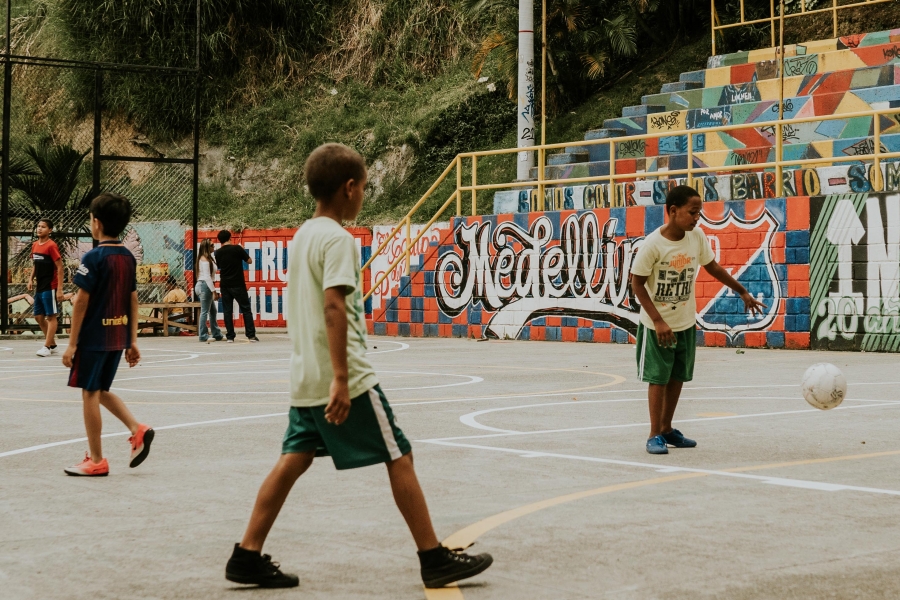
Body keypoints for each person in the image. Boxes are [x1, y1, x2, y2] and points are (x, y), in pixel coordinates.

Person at [224, 143, 493, 589]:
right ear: (349, 189)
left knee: (294, 457)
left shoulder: (305, 235)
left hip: (306, 375)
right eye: (364, 187)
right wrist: (344, 379)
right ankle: (433, 557)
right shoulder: (338, 240)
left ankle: (246, 553)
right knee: (399, 453)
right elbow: (333, 307)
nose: (363, 195)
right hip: (341, 374)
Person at [630, 185, 767, 455]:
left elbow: (712, 266)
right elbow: (637, 284)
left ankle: (667, 429)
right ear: (672, 211)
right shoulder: (653, 244)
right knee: (658, 378)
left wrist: (742, 292)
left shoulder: (696, 237)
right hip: (657, 325)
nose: (697, 218)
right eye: (692, 213)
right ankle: (653, 434)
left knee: (677, 375)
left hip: (684, 322)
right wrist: (658, 321)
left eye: (699, 213)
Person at [61, 192, 154, 477]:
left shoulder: (94, 256)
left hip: (93, 337)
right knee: (100, 390)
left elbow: (80, 301)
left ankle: (97, 459)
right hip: (116, 336)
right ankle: (138, 429)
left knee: (89, 393)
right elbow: (133, 299)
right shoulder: (127, 257)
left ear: (96, 223)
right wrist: (132, 340)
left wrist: (72, 343)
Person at [28, 218, 65, 357]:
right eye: (38, 226)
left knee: (51, 316)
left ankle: (47, 346)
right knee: (38, 317)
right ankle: (53, 344)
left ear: (50, 230)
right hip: (40, 286)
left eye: (43, 227)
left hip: (50, 286)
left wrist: (60, 289)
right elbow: (35, 264)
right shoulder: (34, 245)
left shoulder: (51, 246)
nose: (39, 228)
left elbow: (60, 268)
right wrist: (30, 279)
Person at [214, 230, 259, 343]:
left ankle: (230, 336)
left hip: (225, 284)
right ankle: (251, 335)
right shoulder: (237, 249)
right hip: (238, 283)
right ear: (230, 237)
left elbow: (218, 266)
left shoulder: (217, 253)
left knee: (227, 310)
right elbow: (249, 261)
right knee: (246, 309)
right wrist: (241, 250)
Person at [195, 239, 223, 342]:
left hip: (204, 285)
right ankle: (203, 335)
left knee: (213, 311)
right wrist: (213, 291)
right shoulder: (204, 260)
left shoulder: (208, 258)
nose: (213, 247)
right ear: (206, 247)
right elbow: (207, 277)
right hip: (204, 285)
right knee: (205, 311)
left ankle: (216, 334)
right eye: (211, 245)